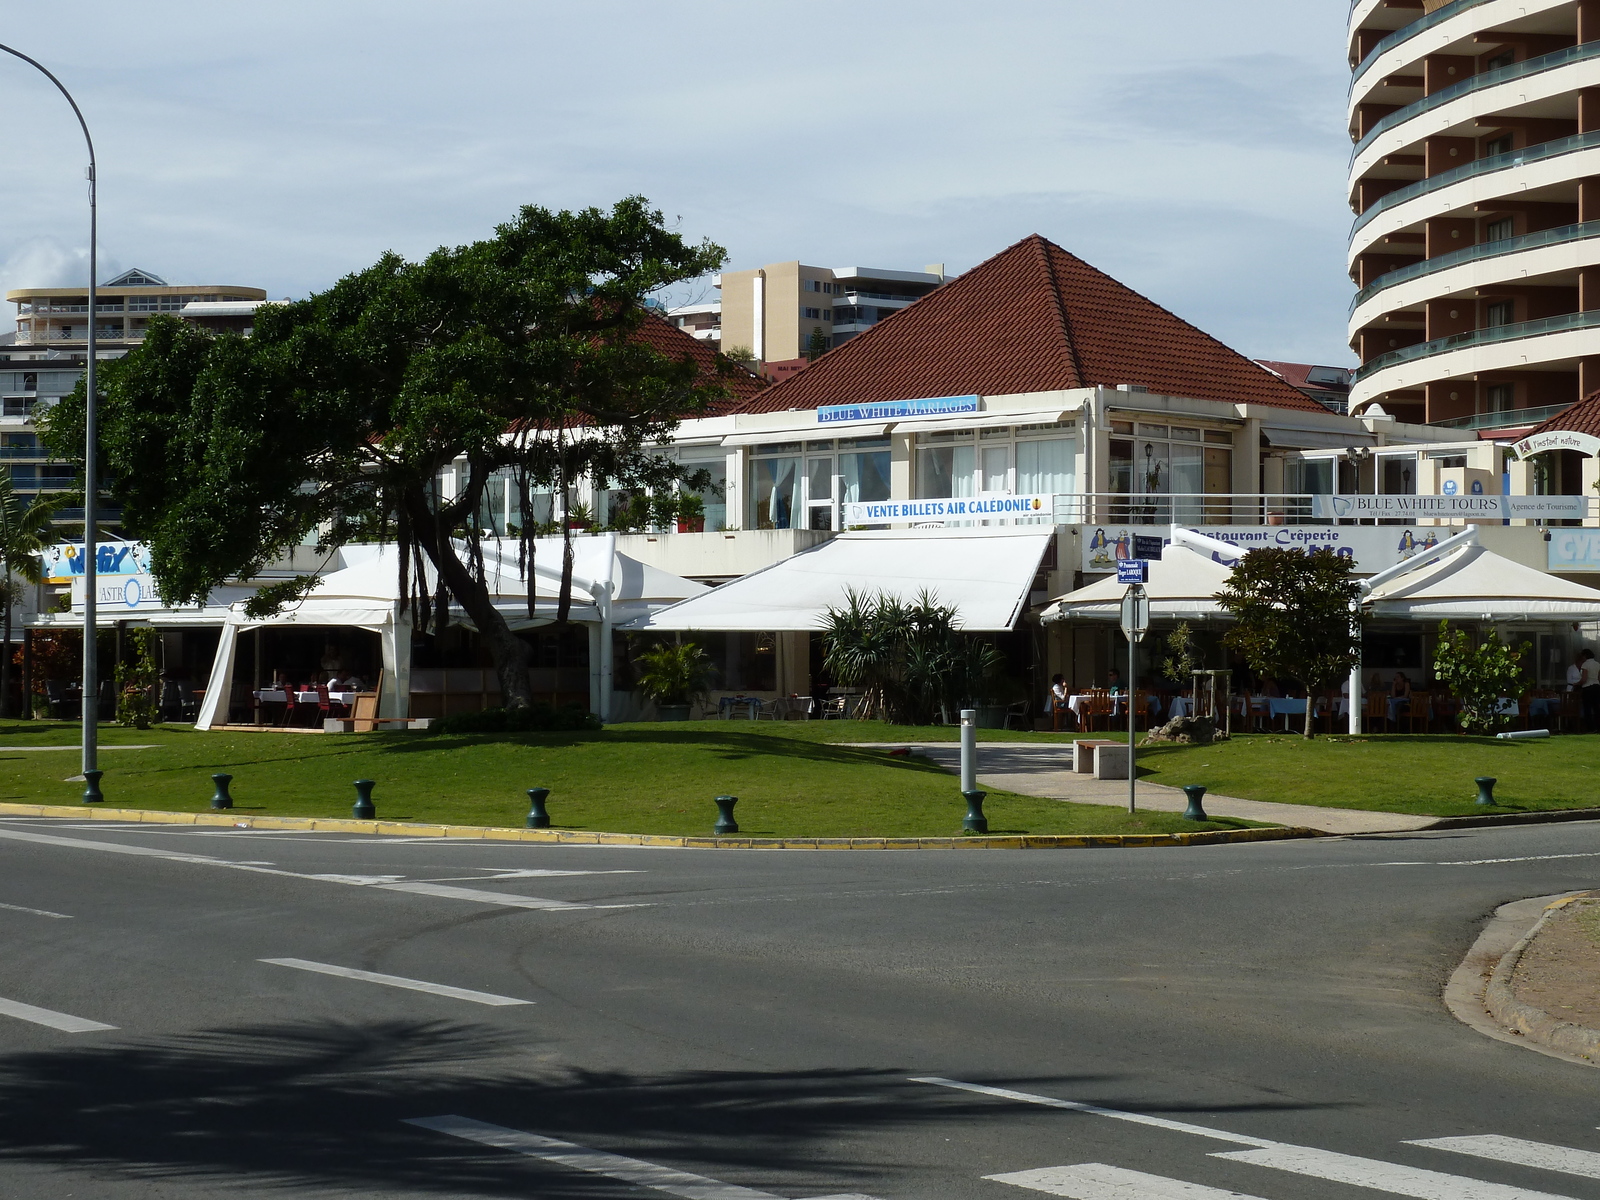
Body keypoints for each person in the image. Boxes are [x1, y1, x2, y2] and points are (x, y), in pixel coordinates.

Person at [1581, 650, 1600, 732]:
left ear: (1585, 656)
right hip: (1596, 686)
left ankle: (1590, 727)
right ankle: (1598, 726)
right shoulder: (1597, 664)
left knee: (1587, 708)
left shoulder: (1585, 664)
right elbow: (1598, 677)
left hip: (1588, 687)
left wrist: (1577, 683)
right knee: (1597, 708)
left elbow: (1584, 678)